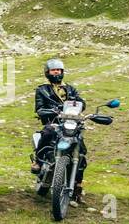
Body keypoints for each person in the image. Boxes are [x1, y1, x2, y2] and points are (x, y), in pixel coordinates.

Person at [32, 57, 88, 204]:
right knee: (48, 132)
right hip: (53, 122)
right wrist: (53, 111)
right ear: (47, 72)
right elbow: (39, 109)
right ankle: (38, 161)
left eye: (59, 70)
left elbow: (81, 102)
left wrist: (80, 105)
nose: (56, 72)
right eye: (54, 70)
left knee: (81, 150)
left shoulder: (70, 88)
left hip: (71, 123)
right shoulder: (42, 89)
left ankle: (77, 186)